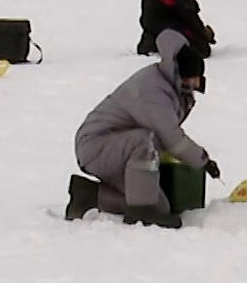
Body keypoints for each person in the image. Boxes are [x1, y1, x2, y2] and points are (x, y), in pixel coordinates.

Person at [68, 29, 218, 228]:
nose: (193, 83)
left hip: (122, 148)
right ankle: (142, 211)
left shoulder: (170, 85)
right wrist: (202, 160)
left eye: (196, 78)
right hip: (97, 146)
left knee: (162, 207)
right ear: (176, 72)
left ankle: (89, 196)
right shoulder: (153, 89)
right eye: (188, 78)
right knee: (144, 141)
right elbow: (170, 137)